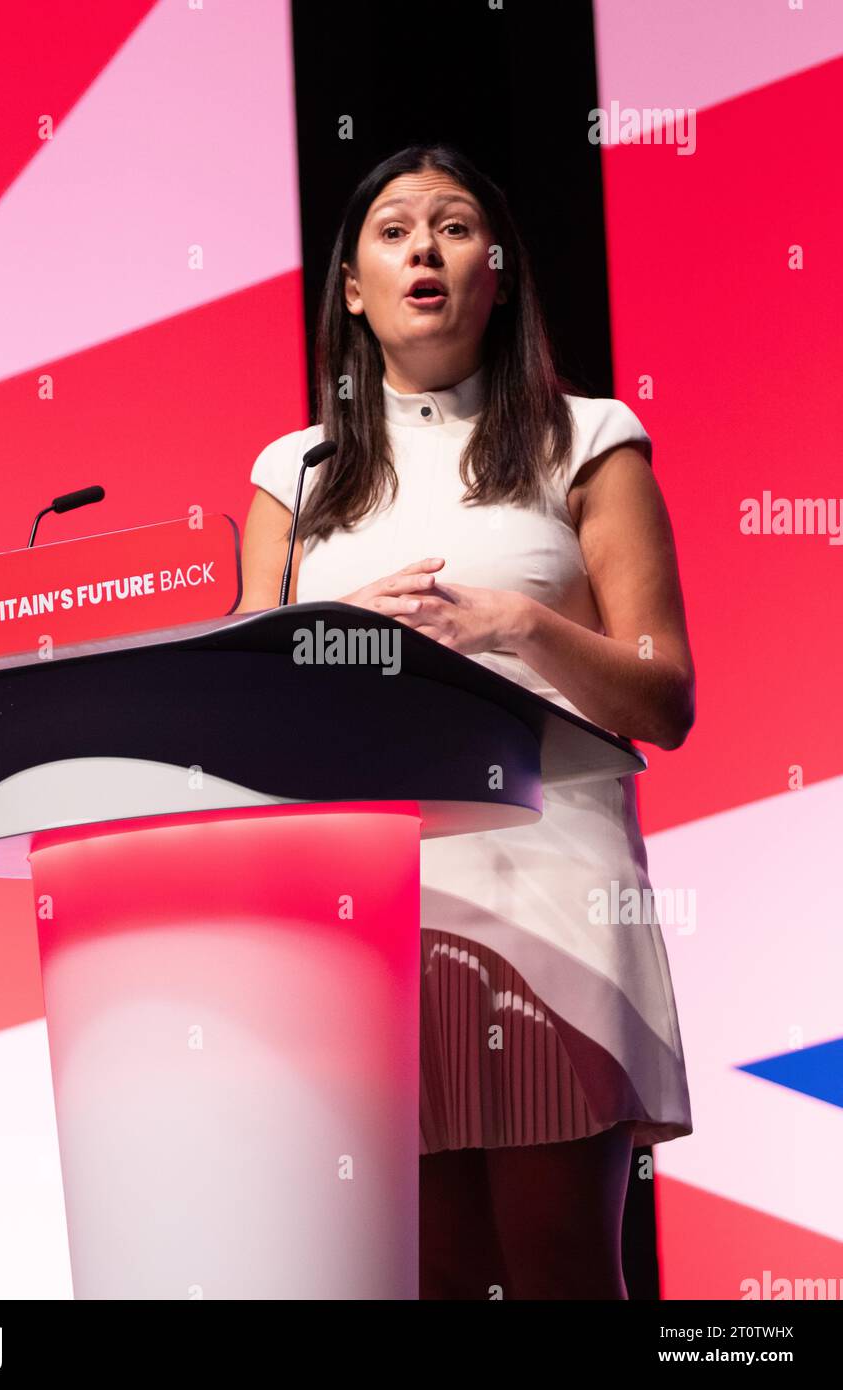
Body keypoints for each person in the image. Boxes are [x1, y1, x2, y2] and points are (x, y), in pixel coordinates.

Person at [237, 143, 695, 1300]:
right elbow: (231, 693)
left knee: (553, 1268)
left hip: (549, 885)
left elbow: (664, 693)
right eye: (393, 231)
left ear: (496, 271)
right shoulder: (292, 475)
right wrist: (331, 619)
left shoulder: (587, 439)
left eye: (451, 226)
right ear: (351, 286)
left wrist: (515, 627)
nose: (423, 249)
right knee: (427, 1276)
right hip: (368, 902)